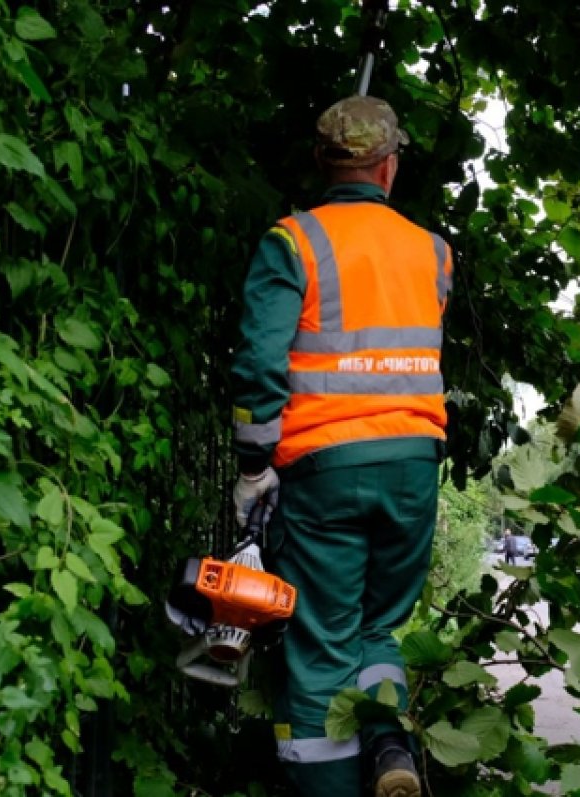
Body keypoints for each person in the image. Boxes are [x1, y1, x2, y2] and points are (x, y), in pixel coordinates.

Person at [230, 95, 452, 797]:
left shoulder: (292, 242)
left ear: (324, 165)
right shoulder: (433, 251)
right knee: (378, 628)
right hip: (414, 463)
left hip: (326, 468)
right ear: (389, 167)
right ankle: (389, 742)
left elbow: (261, 360)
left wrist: (253, 464)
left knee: (322, 642)